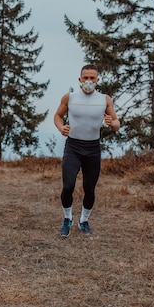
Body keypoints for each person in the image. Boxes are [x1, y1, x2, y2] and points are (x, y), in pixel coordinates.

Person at [53, 64, 120, 237]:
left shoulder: (105, 99)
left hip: (92, 149)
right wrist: (61, 128)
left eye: (92, 78)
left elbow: (116, 123)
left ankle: (84, 220)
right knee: (68, 186)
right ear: (80, 79)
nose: (88, 81)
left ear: (97, 80)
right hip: (73, 147)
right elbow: (57, 116)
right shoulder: (70, 97)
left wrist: (112, 123)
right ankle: (67, 218)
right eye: (85, 78)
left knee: (89, 188)